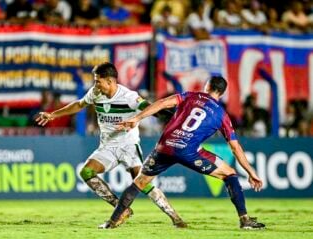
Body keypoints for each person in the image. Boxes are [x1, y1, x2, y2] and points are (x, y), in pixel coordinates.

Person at [100, 76, 266, 230]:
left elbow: (163, 103)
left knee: (140, 182)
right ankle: (244, 219)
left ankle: (112, 221)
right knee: (229, 174)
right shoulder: (222, 115)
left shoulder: (190, 96)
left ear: (206, 86)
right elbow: (235, 148)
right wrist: (251, 172)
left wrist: (137, 119)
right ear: (221, 93)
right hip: (188, 152)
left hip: (164, 147)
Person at [36, 62, 186, 228]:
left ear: (110, 81)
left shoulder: (129, 97)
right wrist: (52, 115)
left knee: (143, 183)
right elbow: (79, 104)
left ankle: (175, 217)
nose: (95, 85)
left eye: (98, 81)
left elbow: (151, 108)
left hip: (128, 145)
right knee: (86, 172)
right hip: (107, 147)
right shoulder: (95, 93)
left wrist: (171, 118)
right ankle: (121, 209)